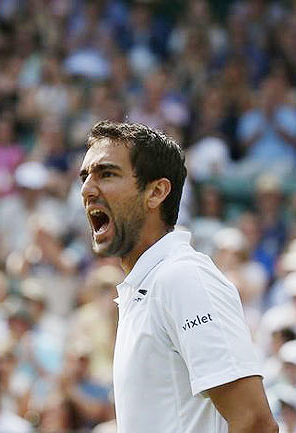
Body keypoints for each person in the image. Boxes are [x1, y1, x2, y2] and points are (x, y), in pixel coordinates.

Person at [78, 120, 277, 433]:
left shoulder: (182, 277)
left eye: (106, 174)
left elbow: (255, 423)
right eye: (85, 176)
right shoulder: (146, 286)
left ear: (156, 192)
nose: (87, 189)